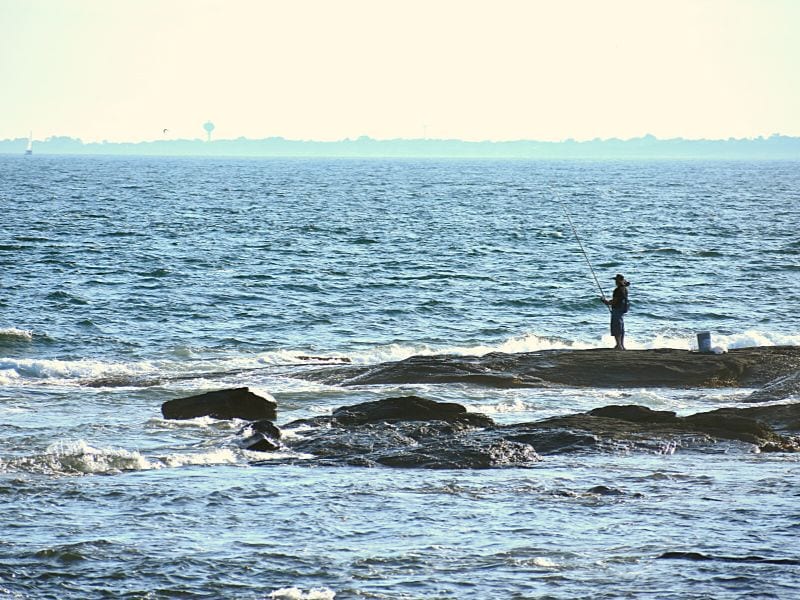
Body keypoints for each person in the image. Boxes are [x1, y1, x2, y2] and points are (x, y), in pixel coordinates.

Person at [602, 273, 629, 350]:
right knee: (621, 327)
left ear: (618, 281)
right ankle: (621, 345)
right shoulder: (625, 289)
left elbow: (614, 301)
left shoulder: (617, 290)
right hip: (622, 309)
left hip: (617, 309)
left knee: (616, 327)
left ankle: (619, 345)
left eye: (616, 280)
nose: (615, 282)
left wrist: (605, 302)